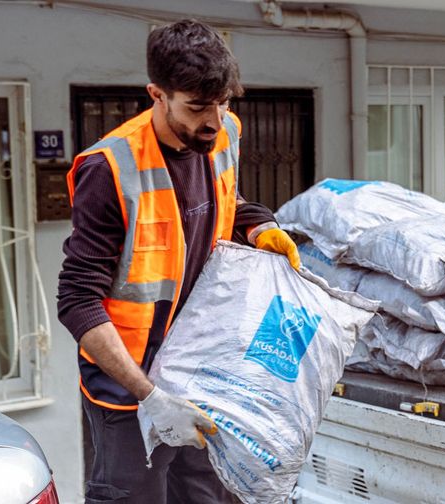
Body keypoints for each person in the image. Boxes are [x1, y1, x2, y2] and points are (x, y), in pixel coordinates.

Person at [57, 19, 300, 503]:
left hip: (200, 369)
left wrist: (260, 226)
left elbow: (223, 205)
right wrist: (150, 397)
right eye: (196, 107)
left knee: (206, 496)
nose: (213, 120)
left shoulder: (222, 132)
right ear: (157, 94)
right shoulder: (110, 169)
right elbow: (77, 301)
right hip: (132, 387)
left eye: (224, 102)